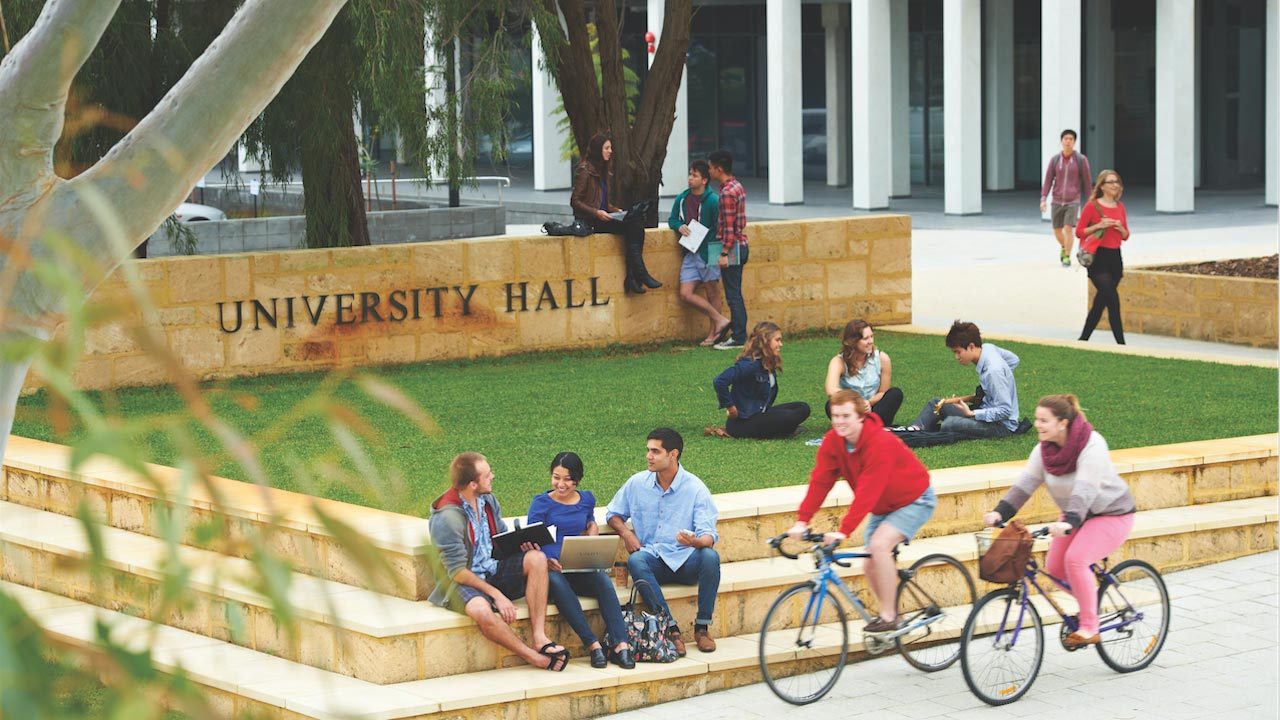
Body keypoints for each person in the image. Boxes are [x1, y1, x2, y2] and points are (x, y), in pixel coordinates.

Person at [982, 394, 1135, 649]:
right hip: (1075, 516)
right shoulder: (1043, 452)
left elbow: (1085, 489)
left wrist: (1069, 522)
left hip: (1110, 513)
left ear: (1063, 423)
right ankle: (1091, 606)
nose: (1038, 425)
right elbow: (1024, 486)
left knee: (1076, 560)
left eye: (1044, 420)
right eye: (1038, 419)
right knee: (1054, 567)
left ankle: (1089, 626)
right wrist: (1000, 512)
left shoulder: (1092, 445)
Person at [788, 390, 936, 633]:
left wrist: (844, 531)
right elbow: (820, 482)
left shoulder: (879, 442)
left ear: (861, 417)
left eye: (846, 415)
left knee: (879, 546)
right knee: (870, 563)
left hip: (914, 499)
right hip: (883, 506)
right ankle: (892, 612)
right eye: (836, 416)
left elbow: (869, 490)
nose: (839, 422)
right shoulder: (833, 441)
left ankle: (889, 616)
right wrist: (802, 521)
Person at [427, 452, 568, 671]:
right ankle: (533, 656)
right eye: (487, 474)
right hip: (462, 581)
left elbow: (500, 538)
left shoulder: (487, 501)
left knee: (537, 558)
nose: (492, 476)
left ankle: (539, 637)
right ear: (473, 484)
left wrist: (521, 544)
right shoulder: (447, 517)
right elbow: (456, 572)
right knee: (482, 611)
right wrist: (496, 594)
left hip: (492, 567)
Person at [606, 428, 720, 655]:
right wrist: (627, 534)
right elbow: (612, 514)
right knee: (637, 561)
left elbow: (709, 536)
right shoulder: (637, 483)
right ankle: (670, 628)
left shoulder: (696, 488)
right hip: (654, 560)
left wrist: (694, 541)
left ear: (673, 454)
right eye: (648, 450)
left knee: (710, 557)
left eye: (655, 451)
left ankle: (702, 627)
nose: (649, 456)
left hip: (686, 560)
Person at [527, 452, 635, 669]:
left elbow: (589, 521)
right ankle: (593, 645)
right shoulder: (541, 503)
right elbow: (532, 540)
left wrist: (593, 532)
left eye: (567, 479)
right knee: (557, 582)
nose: (561, 484)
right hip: (550, 570)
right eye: (556, 477)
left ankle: (620, 644)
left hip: (576, 564)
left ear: (577, 479)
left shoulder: (586, 499)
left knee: (603, 581)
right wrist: (548, 560)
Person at [571, 132, 661, 294]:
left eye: (610, 147)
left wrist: (615, 210)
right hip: (591, 221)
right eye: (607, 148)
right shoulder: (585, 170)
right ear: (598, 150)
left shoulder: (603, 170)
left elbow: (602, 201)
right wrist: (596, 212)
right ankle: (638, 275)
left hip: (603, 217)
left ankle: (633, 278)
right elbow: (575, 201)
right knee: (634, 226)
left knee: (635, 224)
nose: (610, 151)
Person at [909, 320, 1021, 439]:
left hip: (1001, 426)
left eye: (958, 352)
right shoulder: (988, 348)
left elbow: (1005, 411)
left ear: (971, 346)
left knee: (950, 424)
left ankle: (915, 434)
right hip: (985, 411)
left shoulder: (993, 371)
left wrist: (971, 413)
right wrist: (1001, 382)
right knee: (936, 403)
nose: (956, 357)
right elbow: (1014, 360)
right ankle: (913, 430)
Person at [713, 321, 811, 439]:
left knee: (803, 407)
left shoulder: (766, 362)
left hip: (761, 415)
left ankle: (782, 428)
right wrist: (730, 407)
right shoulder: (749, 365)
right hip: (742, 423)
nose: (781, 344)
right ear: (765, 341)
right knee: (788, 417)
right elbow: (720, 381)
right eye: (777, 340)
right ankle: (783, 430)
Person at [669, 160, 731, 346]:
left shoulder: (713, 201)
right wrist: (679, 227)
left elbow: (719, 226)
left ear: (704, 180)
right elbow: (672, 219)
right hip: (689, 252)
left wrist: (706, 237)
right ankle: (720, 320)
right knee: (685, 293)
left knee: (713, 291)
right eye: (690, 174)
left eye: (694, 175)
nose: (690, 178)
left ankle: (714, 333)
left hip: (707, 251)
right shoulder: (682, 198)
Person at [1075, 169, 1130, 345]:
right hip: (1097, 259)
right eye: (1111, 182)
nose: (1115, 185)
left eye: (1117, 182)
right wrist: (1100, 225)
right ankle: (1121, 344)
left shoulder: (1120, 207)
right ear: (1102, 186)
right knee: (1113, 300)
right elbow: (1079, 231)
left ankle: (1083, 340)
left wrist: (1120, 228)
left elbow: (1125, 235)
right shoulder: (1092, 206)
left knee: (1100, 303)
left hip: (1115, 258)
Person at [823, 319, 903, 426]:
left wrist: (869, 402)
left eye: (871, 336)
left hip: (873, 407)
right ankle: (870, 425)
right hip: (851, 409)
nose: (871, 341)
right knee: (830, 404)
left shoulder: (882, 358)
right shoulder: (838, 362)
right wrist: (857, 402)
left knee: (895, 393)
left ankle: (868, 425)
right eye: (865, 338)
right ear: (853, 341)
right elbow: (831, 390)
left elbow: (883, 392)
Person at [708, 149, 749, 350]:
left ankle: (739, 337)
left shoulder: (726, 193)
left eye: (711, 168)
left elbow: (730, 228)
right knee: (736, 293)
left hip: (733, 248)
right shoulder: (737, 186)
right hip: (742, 244)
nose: (710, 172)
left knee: (733, 295)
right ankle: (739, 334)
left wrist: (724, 253)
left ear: (718, 168)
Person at [1040, 129, 1093, 268]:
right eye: (1065, 139)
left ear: (1074, 142)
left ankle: (1067, 256)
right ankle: (1065, 247)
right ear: (1061, 141)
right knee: (1057, 230)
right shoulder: (1055, 160)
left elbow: (1087, 182)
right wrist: (1043, 198)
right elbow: (1048, 180)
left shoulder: (1081, 160)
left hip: (1073, 200)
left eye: (1071, 139)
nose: (1068, 141)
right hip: (1057, 200)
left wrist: (1090, 201)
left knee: (1068, 228)